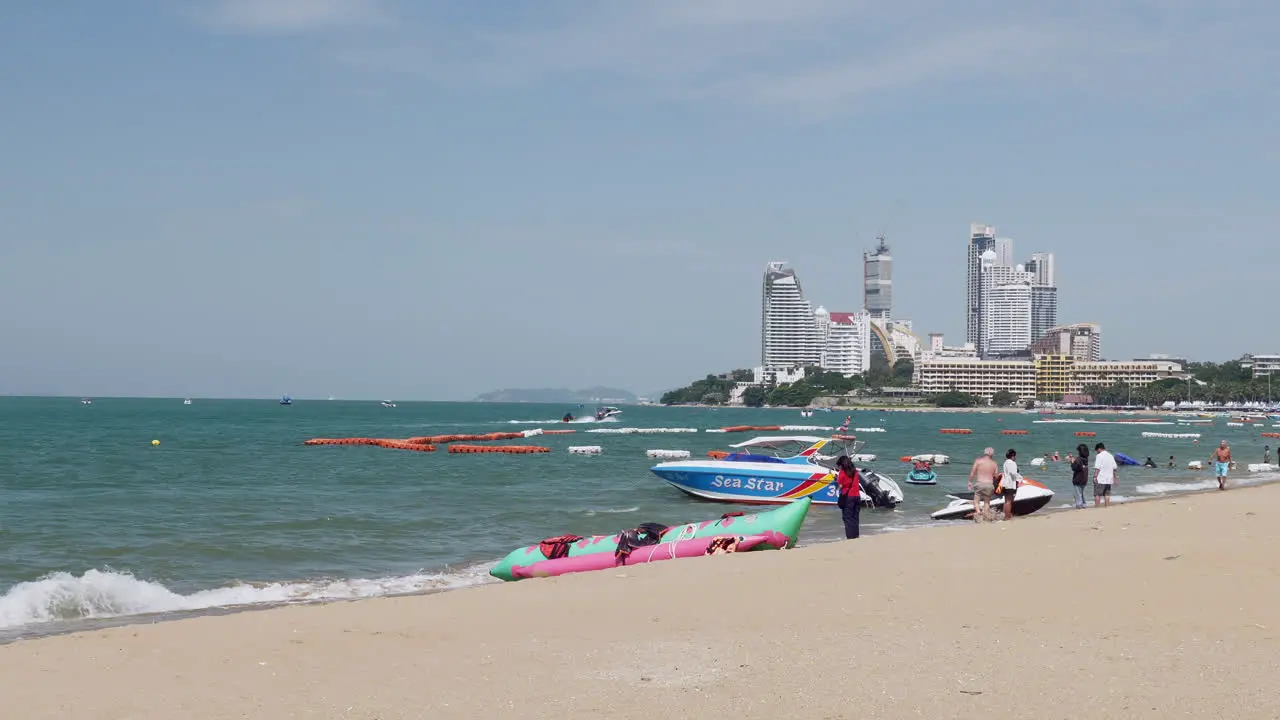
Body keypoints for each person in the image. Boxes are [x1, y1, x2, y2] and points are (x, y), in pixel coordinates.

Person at [834, 455, 862, 539]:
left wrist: (836, 481)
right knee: (855, 518)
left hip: (848, 497)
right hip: (857, 496)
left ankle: (850, 538)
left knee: (847, 518)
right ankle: (856, 536)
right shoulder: (855, 471)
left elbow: (841, 486)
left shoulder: (842, 472)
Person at [968, 447, 999, 521]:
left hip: (980, 484)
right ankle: (986, 515)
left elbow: (973, 472)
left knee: (976, 501)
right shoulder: (994, 464)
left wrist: (970, 482)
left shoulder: (978, 461)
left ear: (984, 453)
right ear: (992, 454)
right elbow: (996, 476)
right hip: (989, 484)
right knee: (987, 502)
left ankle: (978, 512)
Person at [1093, 442, 1118, 507]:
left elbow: (1097, 468)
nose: (1097, 452)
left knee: (1097, 494)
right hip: (1109, 479)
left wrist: (1095, 477)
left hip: (1101, 478)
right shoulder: (1110, 456)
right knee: (1107, 495)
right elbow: (1114, 468)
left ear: (1099, 449)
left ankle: (1097, 508)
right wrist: (1115, 478)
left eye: (1097, 450)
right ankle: (1107, 508)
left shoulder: (1099, 456)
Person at [1000, 449, 1022, 520]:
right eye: (1015, 456)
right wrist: (1020, 478)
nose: (1015, 457)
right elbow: (1013, 473)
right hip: (1010, 484)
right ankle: (1007, 517)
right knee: (1009, 501)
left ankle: (1005, 515)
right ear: (1012, 456)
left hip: (1005, 484)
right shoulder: (1012, 463)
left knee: (1006, 501)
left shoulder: (1005, 462)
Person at [1069, 444, 1090, 509]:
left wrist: (1072, 462)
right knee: (1081, 494)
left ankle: (1079, 506)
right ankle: (1083, 505)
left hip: (1078, 479)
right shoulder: (1085, 459)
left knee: (1078, 494)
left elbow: (1074, 468)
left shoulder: (1078, 459)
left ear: (1080, 452)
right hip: (1084, 479)